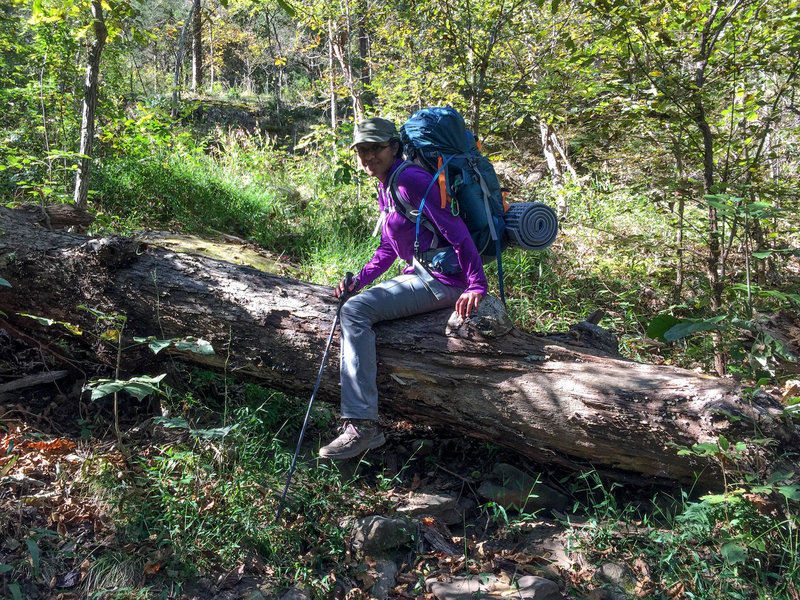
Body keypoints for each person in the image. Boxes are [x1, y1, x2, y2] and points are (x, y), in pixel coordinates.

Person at [318, 117, 488, 459]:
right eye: (361, 151)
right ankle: (363, 423)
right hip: (422, 275)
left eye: (375, 149)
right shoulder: (387, 183)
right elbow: (387, 247)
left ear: (393, 148)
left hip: (444, 281)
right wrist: (359, 280)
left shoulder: (410, 179)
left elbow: (457, 231)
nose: (368, 158)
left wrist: (476, 284)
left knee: (354, 311)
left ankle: (363, 426)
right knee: (355, 302)